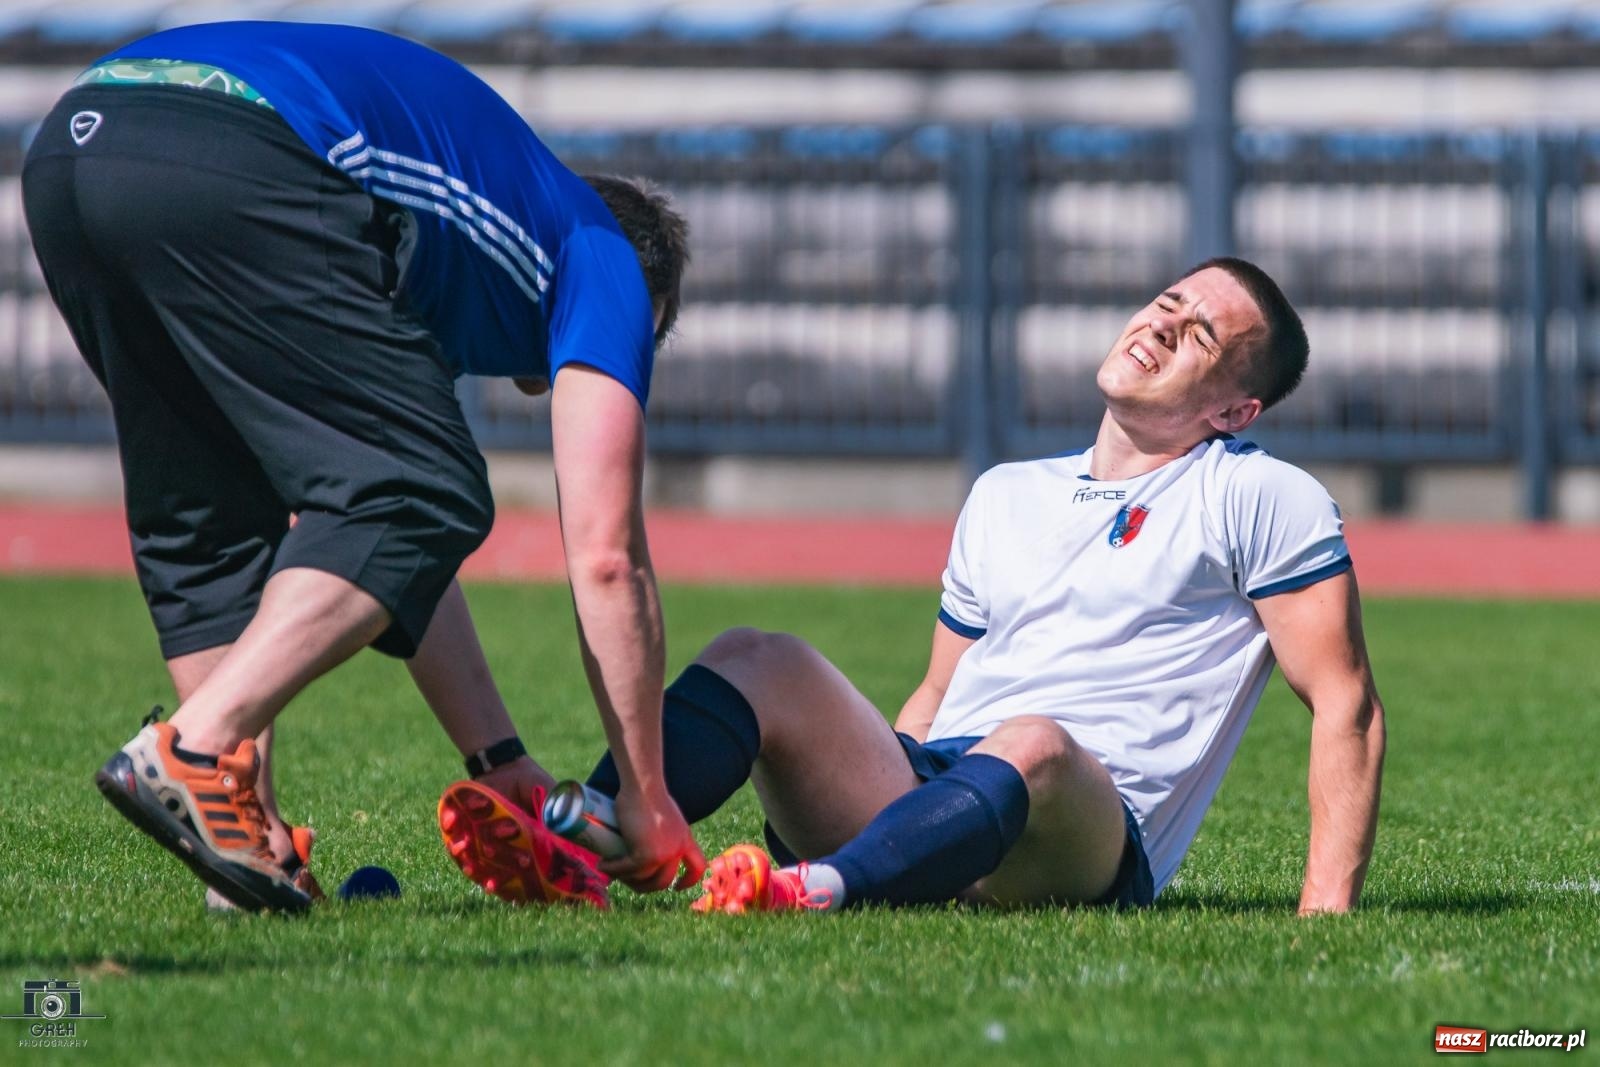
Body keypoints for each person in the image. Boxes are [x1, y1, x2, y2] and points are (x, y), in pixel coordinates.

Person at [452, 257, 1386, 914]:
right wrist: (882, 787)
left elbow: (1345, 699)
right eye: (1165, 302)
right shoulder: (1005, 491)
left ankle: (820, 891)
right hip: (946, 792)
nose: (1159, 325)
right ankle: (590, 838)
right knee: (756, 655)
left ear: (1233, 407)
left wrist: (1325, 908)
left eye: (1199, 333)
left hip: (1087, 836)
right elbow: (938, 694)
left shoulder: (1260, 492)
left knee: (1035, 741)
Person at [23, 21, 703, 912]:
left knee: (210, 512)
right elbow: (607, 555)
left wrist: (499, 763)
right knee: (425, 486)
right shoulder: (602, 251)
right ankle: (192, 750)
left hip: (75, 144)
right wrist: (648, 799)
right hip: (231, 146)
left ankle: (243, 837)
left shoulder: (441, 235)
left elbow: (367, 540)